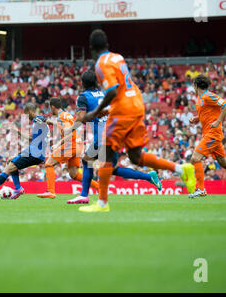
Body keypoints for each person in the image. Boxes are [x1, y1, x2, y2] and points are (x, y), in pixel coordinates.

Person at [79, 29, 196, 213]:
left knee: (106, 155)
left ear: (92, 48)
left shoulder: (101, 64)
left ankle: (102, 203)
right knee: (136, 157)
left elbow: (112, 91)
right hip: (137, 104)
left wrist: (95, 112)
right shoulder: (118, 57)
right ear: (107, 44)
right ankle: (182, 169)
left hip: (123, 110)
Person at [66, 70, 162, 204]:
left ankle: (83, 195)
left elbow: (81, 118)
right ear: (96, 81)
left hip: (102, 137)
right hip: (115, 134)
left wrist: (70, 130)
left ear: (82, 83)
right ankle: (148, 177)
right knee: (113, 169)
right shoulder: (105, 94)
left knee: (87, 160)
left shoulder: (83, 97)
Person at [189, 74, 226, 200]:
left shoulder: (207, 95)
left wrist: (218, 121)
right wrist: (196, 118)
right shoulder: (200, 99)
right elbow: (208, 113)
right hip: (209, 133)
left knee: (195, 157)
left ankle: (200, 189)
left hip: (213, 133)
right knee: (223, 161)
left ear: (196, 85)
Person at [0, 103, 49, 200]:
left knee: (8, 168)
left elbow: (47, 121)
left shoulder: (37, 118)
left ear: (30, 111)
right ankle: (17, 188)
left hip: (33, 153)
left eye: (26, 114)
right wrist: (19, 132)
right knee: (10, 161)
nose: (26, 117)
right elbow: (33, 138)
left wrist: (58, 123)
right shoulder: (36, 123)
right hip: (33, 152)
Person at [37, 97, 99, 199]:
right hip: (78, 146)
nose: (49, 110)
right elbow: (66, 127)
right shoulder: (67, 115)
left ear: (52, 107)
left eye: (50, 108)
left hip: (70, 145)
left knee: (48, 163)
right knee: (74, 174)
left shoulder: (61, 117)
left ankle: (51, 191)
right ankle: (98, 186)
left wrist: (57, 145)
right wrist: (48, 121)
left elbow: (68, 134)